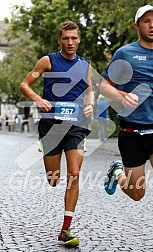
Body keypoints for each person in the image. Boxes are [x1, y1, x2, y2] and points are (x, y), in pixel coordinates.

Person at [19, 20, 95, 247]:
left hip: (76, 126)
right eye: (66, 38)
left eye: (74, 38)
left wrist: (89, 104)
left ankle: (65, 230)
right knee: (54, 180)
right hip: (51, 126)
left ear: (79, 39)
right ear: (60, 40)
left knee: (74, 173)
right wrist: (38, 99)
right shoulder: (48, 61)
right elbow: (25, 84)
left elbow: (89, 89)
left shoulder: (85, 65)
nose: (70, 42)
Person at [100, 5, 153, 252]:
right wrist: (120, 94)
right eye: (146, 21)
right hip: (132, 133)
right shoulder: (125, 53)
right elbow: (104, 86)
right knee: (137, 193)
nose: (152, 25)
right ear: (137, 25)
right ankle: (117, 171)